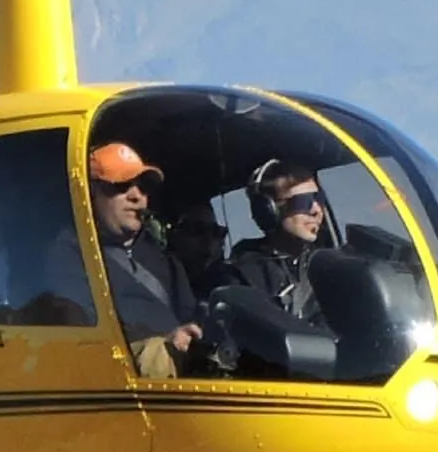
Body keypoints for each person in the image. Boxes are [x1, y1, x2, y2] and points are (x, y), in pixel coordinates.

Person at [87, 141, 205, 378]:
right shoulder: (70, 257)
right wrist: (161, 344)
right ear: (90, 193)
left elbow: (192, 318)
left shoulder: (167, 263)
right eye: (121, 185)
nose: (137, 197)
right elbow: (82, 333)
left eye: (143, 187)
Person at [221, 158, 337, 333]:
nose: (316, 210)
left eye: (318, 198)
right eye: (302, 202)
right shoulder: (243, 273)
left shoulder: (331, 265)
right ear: (268, 210)